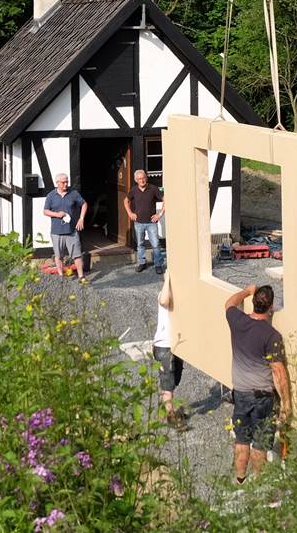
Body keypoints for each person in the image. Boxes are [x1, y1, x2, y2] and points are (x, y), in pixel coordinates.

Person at [224, 284, 291, 484]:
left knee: (242, 440)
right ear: (270, 307)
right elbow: (279, 371)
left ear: (253, 303)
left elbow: (229, 303)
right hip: (263, 399)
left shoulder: (237, 321)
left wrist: (247, 290)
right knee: (260, 444)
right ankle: (258, 482)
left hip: (241, 394)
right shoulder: (271, 335)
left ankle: (240, 479)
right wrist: (286, 403)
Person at [153, 274, 186, 430]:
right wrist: (168, 278)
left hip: (176, 345)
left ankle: (164, 407)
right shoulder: (163, 295)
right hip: (163, 346)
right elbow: (164, 300)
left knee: (174, 381)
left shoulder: (181, 299)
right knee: (168, 384)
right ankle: (171, 417)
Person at [42, 173, 89, 282]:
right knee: (59, 256)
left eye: (67, 181)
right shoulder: (51, 196)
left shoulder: (73, 193)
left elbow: (84, 204)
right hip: (56, 231)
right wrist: (57, 214)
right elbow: (45, 211)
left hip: (72, 230)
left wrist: (81, 218)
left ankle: (81, 277)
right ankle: (61, 276)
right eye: (63, 182)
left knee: (77, 255)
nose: (66, 184)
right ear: (57, 183)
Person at [126, 168, 165, 273]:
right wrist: (130, 213)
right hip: (138, 223)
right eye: (139, 179)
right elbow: (126, 200)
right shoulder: (134, 190)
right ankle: (142, 263)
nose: (142, 180)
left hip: (151, 223)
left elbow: (165, 199)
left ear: (146, 178)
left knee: (156, 244)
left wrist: (160, 214)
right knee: (140, 244)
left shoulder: (153, 188)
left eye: (143, 178)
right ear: (136, 180)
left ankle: (158, 265)